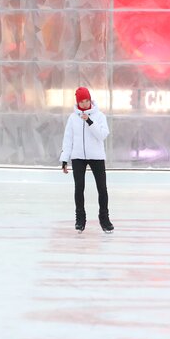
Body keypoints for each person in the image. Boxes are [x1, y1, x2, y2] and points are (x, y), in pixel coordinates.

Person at [60, 87, 113, 233]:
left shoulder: (99, 116)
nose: (85, 104)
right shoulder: (72, 118)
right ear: (77, 102)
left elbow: (102, 135)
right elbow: (68, 139)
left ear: (90, 100)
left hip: (96, 156)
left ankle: (104, 219)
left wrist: (89, 121)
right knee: (79, 188)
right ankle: (80, 219)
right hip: (78, 157)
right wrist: (65, 159)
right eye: (82, 101)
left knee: (102, 188)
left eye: (87, 100)